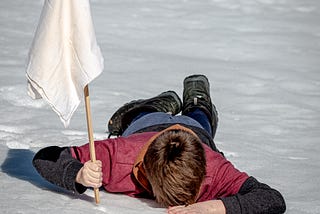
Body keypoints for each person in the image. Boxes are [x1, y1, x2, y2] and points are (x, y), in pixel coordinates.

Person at [33, 74, 286, 214]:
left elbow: (273, 199)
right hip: (146, 125)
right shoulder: (118, 157)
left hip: (196, 134)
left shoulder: (216, 169)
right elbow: (46, 156)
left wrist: (215, 207)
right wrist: (78, 173)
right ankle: (155, 105)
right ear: (147, 173)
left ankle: (198, 102)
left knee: (199, 119)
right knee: (137, 117)